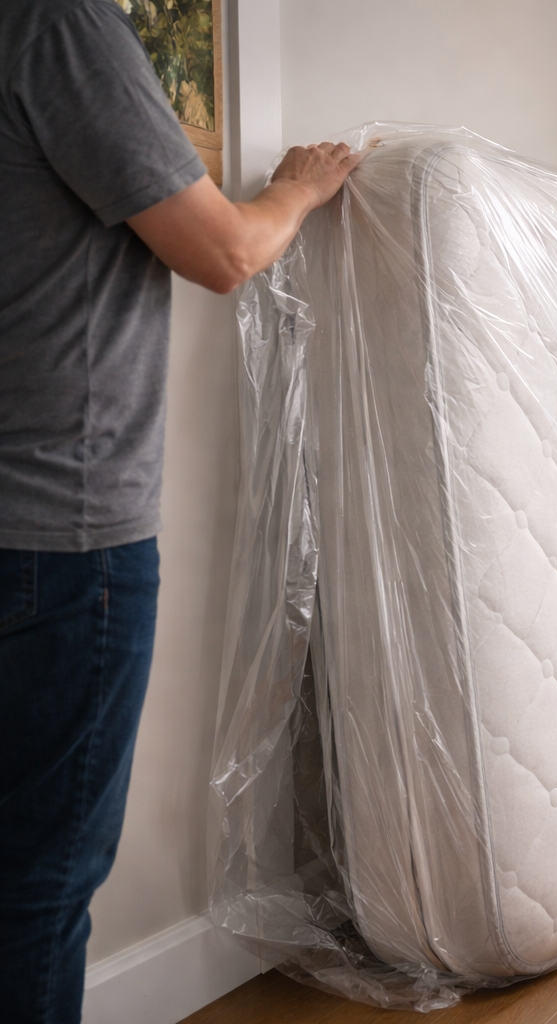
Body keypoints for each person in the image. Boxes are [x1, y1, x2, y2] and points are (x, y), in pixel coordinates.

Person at [0, 2, 359, 1020]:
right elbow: (224, 253)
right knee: (35, 886)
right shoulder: (56, 24)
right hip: (55, 536)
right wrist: (296, 189)